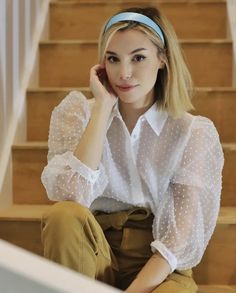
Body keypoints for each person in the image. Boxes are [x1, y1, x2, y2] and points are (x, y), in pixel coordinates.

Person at [41, 6, 224, 293]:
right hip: (96, 251)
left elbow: (178, 240)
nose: (124, 73)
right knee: (62, 215)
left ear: (162, 59)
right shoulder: (79, 113)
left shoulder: (193, 133)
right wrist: (102, 108)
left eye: (138, 58)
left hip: (159, 266)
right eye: (113, 59)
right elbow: (71, 196)